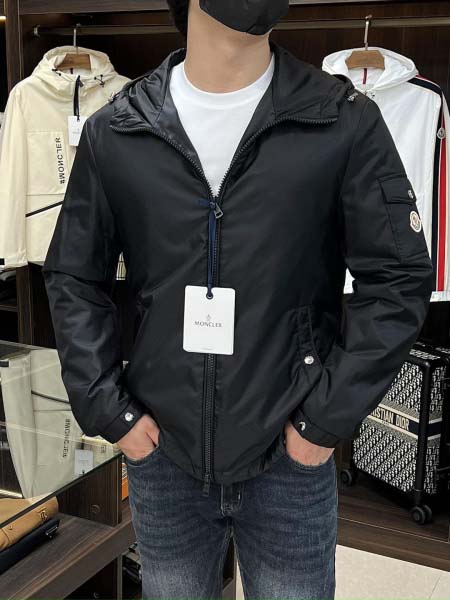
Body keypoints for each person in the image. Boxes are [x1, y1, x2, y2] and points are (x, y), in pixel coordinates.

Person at [42, 1, 434, 599]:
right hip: (162, 450)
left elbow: (398, 277)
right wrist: (110, 413)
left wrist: (323, 421)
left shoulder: (341, 119)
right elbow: (74, 275)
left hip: (289, 452)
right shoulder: (118, 129)